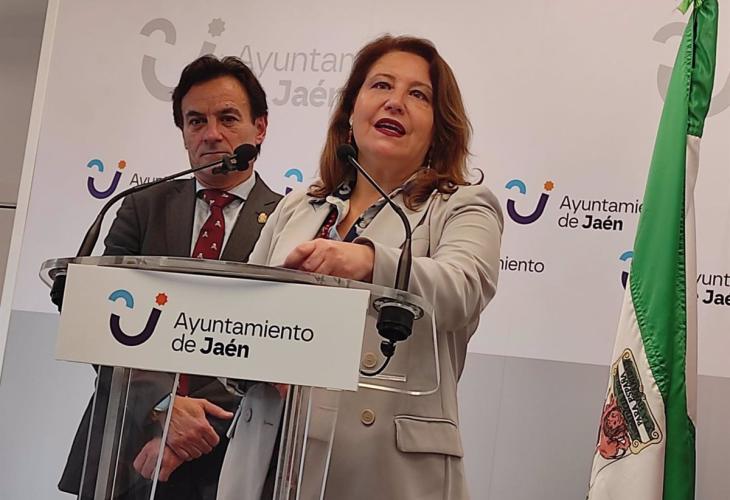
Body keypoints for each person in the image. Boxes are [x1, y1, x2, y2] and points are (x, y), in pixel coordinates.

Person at [218, 35, 503, 500]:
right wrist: (258, 362)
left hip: (383, 468)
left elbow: (462, 289)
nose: (395, 102)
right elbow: (239, 315)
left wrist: (371, 262)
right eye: (381, 86)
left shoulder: (461, 206)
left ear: (439, 128)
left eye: (418, 94)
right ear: (351, 110)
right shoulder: (298, 207)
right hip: (269, 455)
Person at [58, 55, 282, 500]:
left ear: (259, 128)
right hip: (126, 446)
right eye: (196, 121)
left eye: (228, 118)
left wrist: (191, 428)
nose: (211, 134)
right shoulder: (142, 205)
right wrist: (164, 405)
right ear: (182, 132)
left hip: (228, 452)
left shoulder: (287, 221)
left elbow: (280, 344)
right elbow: (102, 321)